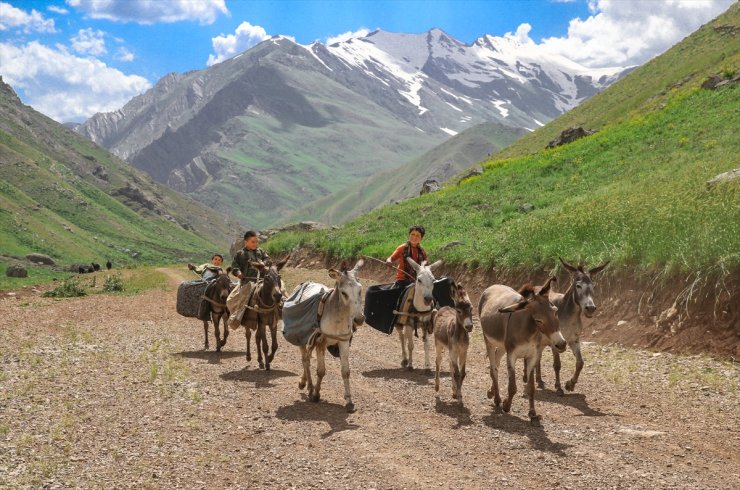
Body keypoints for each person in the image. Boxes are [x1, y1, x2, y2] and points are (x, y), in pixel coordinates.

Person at [227, 231, 270, 330]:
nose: (255, 244)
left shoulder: (261, 251)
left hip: (263, 280)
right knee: (230, 300)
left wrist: (264, 262)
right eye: (253, 242)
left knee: (279, 288)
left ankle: (284, 308)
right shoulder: (240, 254)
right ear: (246, 242)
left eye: (256, 242)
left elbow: (268, 259)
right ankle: (236, 319)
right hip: (247, 282)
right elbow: (235, 267)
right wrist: (238, 273)